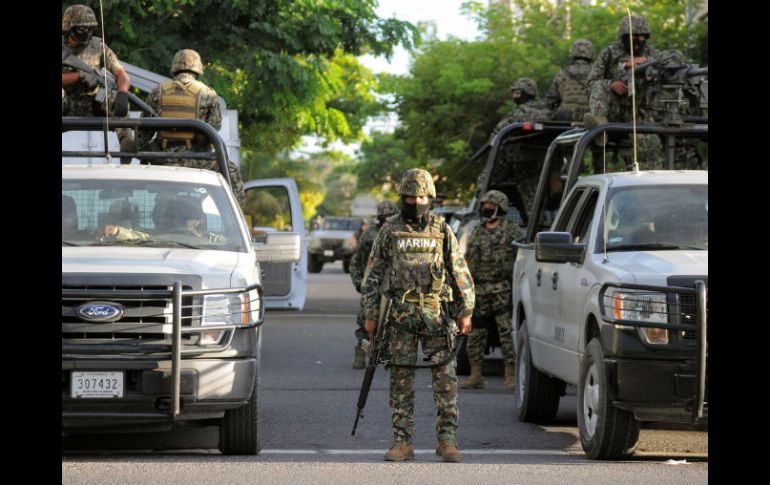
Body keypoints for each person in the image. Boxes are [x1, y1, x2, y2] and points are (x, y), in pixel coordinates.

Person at [361, 168, 475, 463]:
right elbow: (372, 276)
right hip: (400, 315)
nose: (416, 201)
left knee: (445, 379)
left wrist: (467, 310)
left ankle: (447, 440)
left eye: (422, 196)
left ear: (431, 197)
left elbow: (459, 270)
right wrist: (370, 316)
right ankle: (402, 442)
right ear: (403, 197)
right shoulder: (389, 230)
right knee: (401, 379)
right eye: (411, 196)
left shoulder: (441, 228)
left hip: (436, 314)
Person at [136, 49, 245, 203]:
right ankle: (235, 217)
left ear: (175, 68)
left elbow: (143, 130)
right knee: (231, 172)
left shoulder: (158, 91)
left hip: (162, 159)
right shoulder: (207, 93)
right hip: (195, 159)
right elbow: (214, 126)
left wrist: (142, 153)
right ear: (198, 70)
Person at [461, 190, 524, 391]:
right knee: (476, 334)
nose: (486, 209)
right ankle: (476, 374)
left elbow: (521, 258)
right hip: (480, 290)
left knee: (506, 333)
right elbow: (469, 258)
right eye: (485, 205)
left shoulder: (512, 231)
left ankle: (511, 375)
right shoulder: (478, 231)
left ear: (500, 207)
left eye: (490, 205)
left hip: (502, 289)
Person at [584, 15, 663, 169]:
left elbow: (664, 80)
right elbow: (590, 84)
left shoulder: (654, 55)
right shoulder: (610, 53)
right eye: (634, 36)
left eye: (642, 36)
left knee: (651, 150)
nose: (638, 40)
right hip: (614, 111)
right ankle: (600, 125)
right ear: (624, 36)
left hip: (641, 114)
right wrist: (612, 82)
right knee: (600, 85)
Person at [61, 4, 136, 164]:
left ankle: (126, 143)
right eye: (81, 29)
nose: (86, 32)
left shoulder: (98, 47)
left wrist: (122, 92)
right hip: (66, 106)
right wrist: (79, 76)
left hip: (95, 103)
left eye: (90, 28)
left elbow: (121, 73)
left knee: (115, 97)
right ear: (69, 28)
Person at [350, 200, 399, 369]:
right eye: (383, 215)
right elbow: (356, 261)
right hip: (371, 285)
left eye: (390, 215)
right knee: (365, 319)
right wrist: (359, 282)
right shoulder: (369, 235)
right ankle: (361, 352)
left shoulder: (400, 233)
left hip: (391, 287)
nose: (386, 219)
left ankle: (387, 353)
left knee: (393, 321)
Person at [97, 195, 225, 243]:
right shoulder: (160, 238)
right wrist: (117, 231)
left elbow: (235, 245)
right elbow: (141, 238)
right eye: (187, 214)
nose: (193, 219)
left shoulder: (210, 241)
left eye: (194, 215)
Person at [544, 39, 594, 122]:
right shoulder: (597, 72)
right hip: (590, 116)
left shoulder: (563, 72)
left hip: (566, 116)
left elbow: (551, 98)